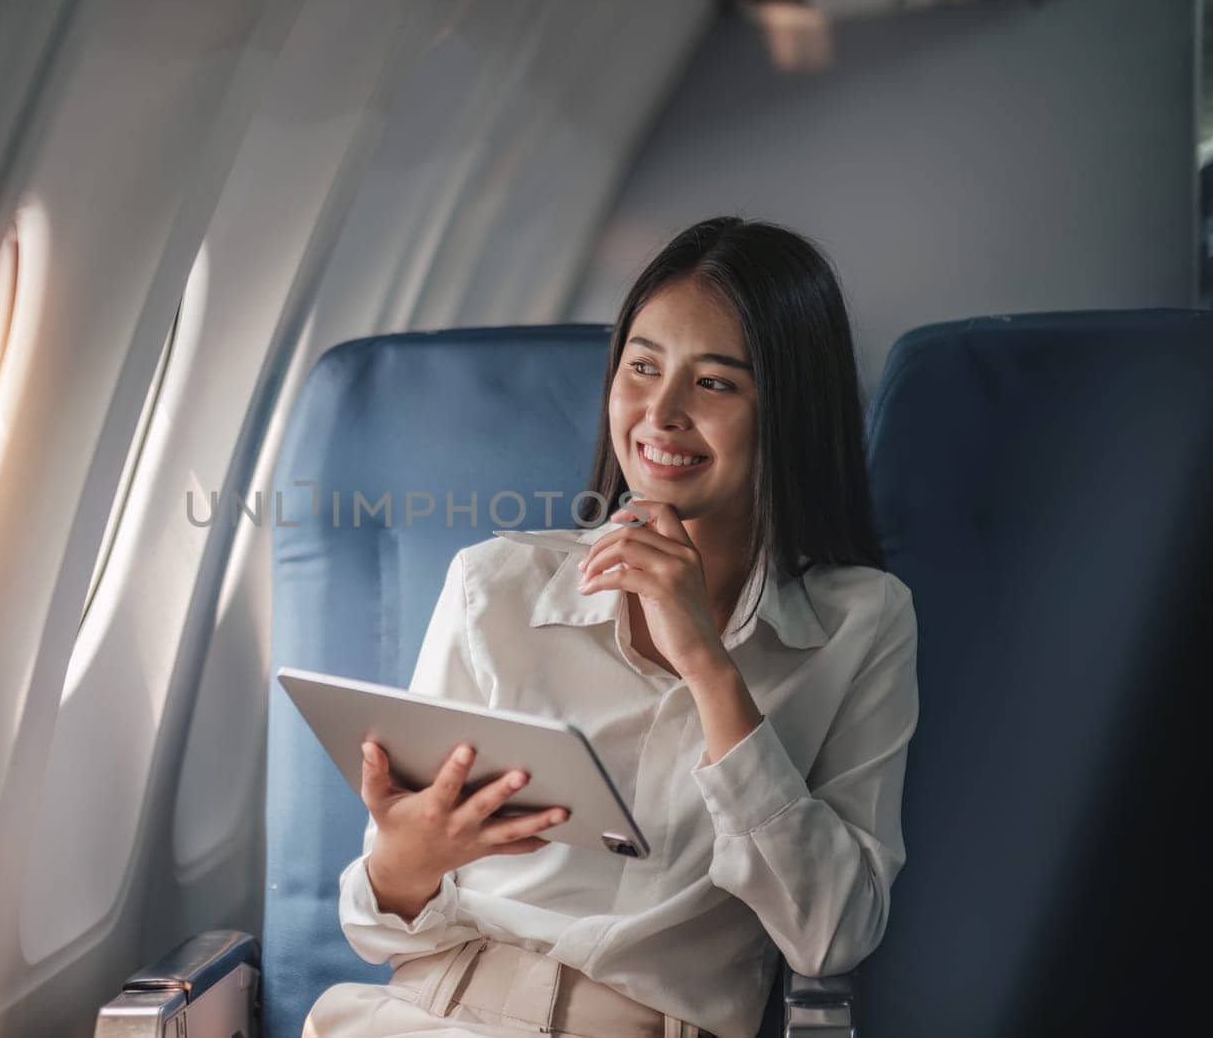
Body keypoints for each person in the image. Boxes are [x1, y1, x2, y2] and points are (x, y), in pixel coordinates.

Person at [301, 217, 919, 1038]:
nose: (660, 413)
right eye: (642, 367)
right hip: (422, 1012)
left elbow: (831, 932)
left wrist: (710, 666)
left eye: (716, 383)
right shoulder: (497, 586)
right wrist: (403, 863)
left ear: (788, 410)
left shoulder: (863, 622)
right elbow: (374, 927)